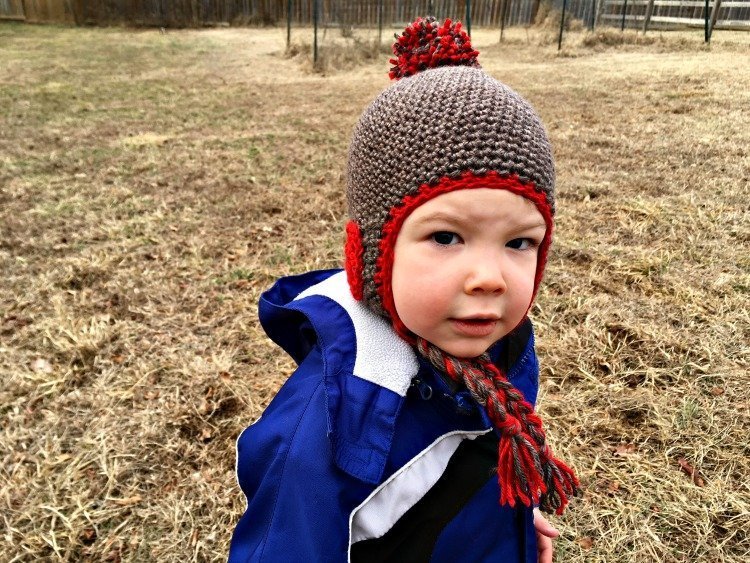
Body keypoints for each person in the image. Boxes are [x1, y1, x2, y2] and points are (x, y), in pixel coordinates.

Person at [229, 17, 578, 563]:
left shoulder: (491, 351)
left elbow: (461, 469)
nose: (490, 277)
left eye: (519, 243)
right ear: (370, 256)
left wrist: (503, 523)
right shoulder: (322, 436)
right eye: (446, 236)